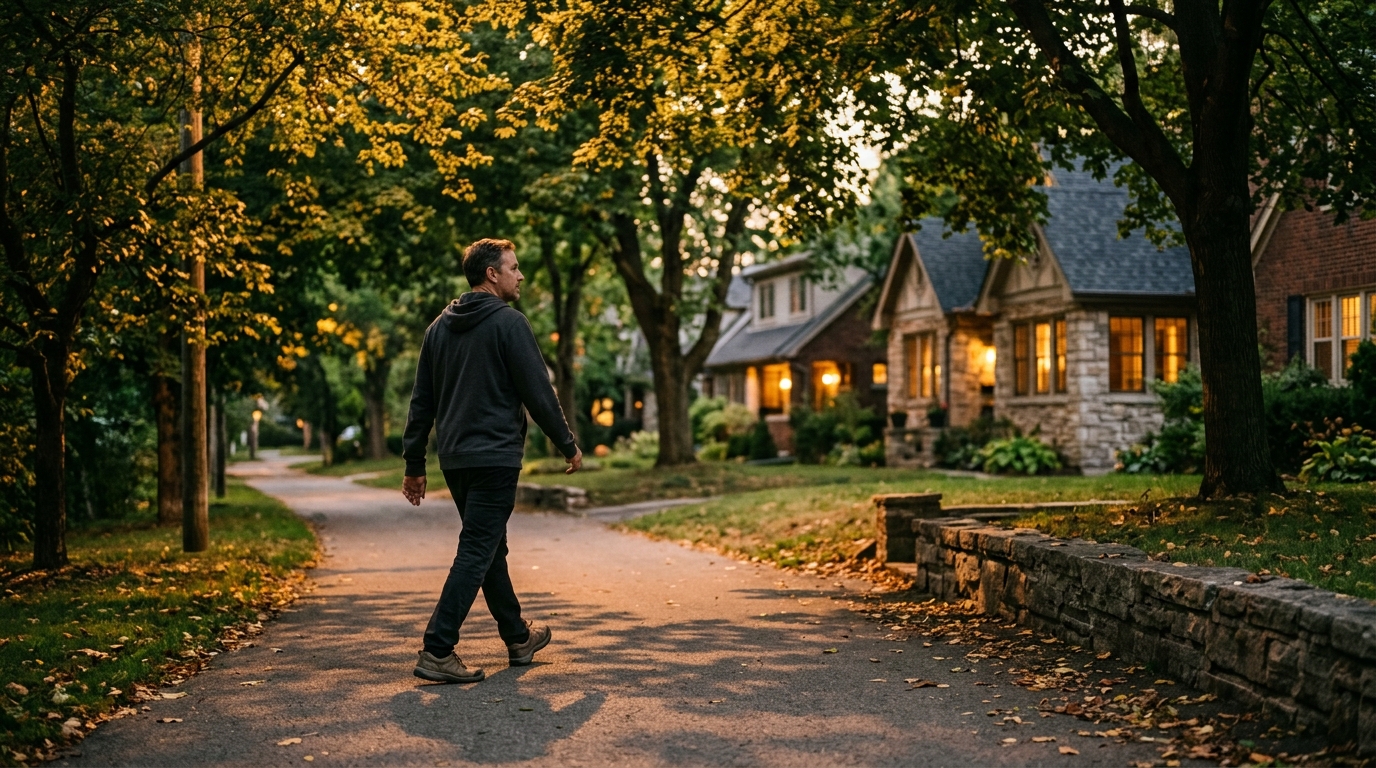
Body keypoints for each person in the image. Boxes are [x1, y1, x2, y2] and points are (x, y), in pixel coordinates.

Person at [401, 238, 582, 684]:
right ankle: (438, 648)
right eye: (514, 268)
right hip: (496, 456)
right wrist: (567, 442)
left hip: (457, 458)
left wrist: (414, 463)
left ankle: (518, 637)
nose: (520, 276)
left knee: (489, 548)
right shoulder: (509, 324)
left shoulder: (438, 329)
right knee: (478, 548)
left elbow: (421, 402)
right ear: (491, 274)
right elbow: (537, 391)